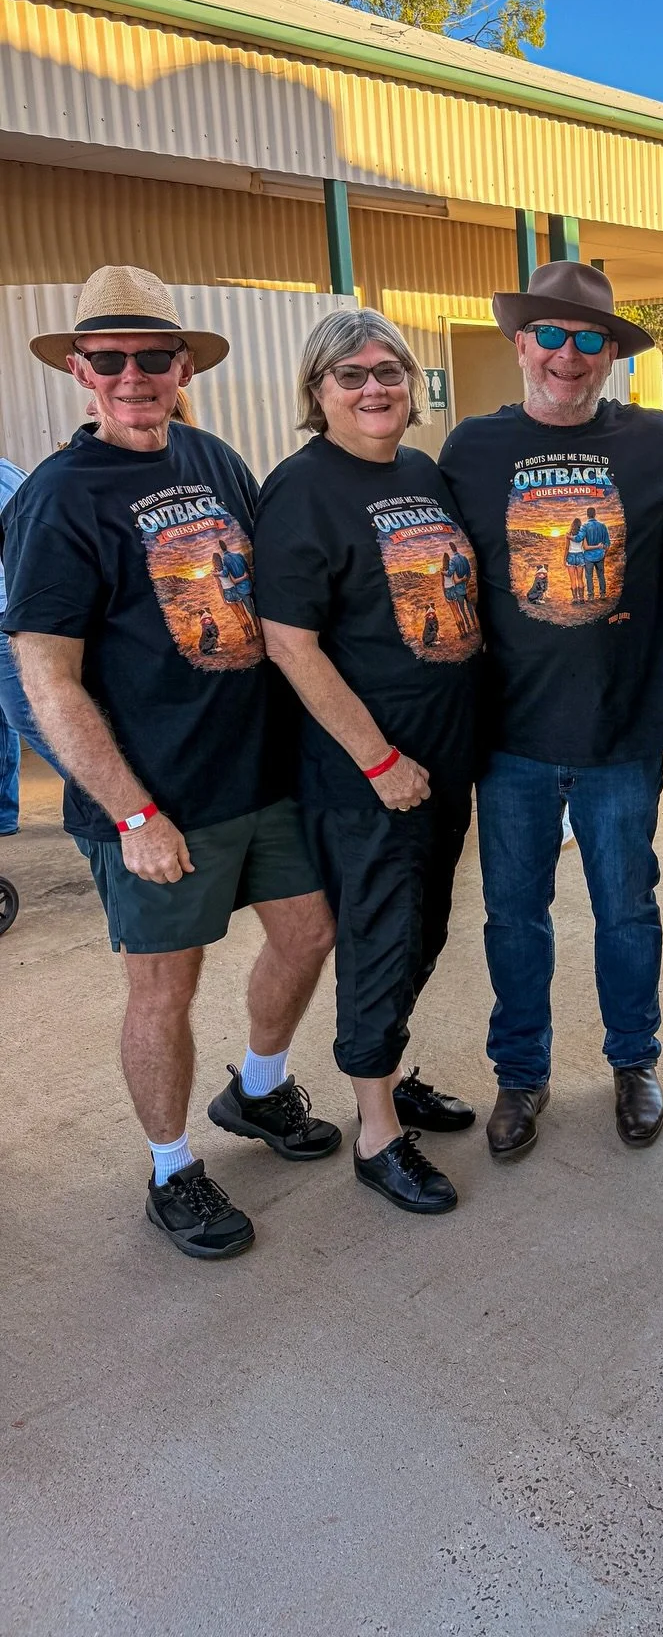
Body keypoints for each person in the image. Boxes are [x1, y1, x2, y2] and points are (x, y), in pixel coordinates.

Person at [0, 267, 338, 1261]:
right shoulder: (59, 499)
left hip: (261, 775)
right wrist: (132, 814)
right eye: (110, 359)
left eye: (154, 356)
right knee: (163, 991)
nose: (135, 376)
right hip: (154, 802)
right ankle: (171, 1169)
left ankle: (260, 1092)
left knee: (309, 934)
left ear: (183, 365)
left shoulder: (212, 455)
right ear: (80, 371)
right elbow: (48, 679)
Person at [439, 261, 663, 1157]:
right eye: (550, 335)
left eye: (591, 339)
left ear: (612, 355)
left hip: (622, 733)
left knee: (627, 910)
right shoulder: (468, 450)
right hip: (508, 738)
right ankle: (521, 1074)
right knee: (515, 914)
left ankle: (634, 1063)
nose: (569, 355)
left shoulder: (661, 444)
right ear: (520, 344)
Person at [255, 307, 483, 1215]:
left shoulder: (422, 473)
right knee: (382, 938)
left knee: (423, 929)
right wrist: (379, 758)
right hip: (370, 774)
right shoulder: (302, 487)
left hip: (444, 759)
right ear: (318, 393)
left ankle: (387, 1068)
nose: (375, 387)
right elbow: (290, 642)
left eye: (389, 370)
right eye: (350, 376)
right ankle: (377, 1131)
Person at [0, 454, 66, 834]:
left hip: (9, 616)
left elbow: (34, 546)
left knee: (36, 717)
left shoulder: (6, 482)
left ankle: (110, 806)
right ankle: (3, 815)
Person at [579, 505, 612, 599]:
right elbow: (607, 543)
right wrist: (604, 553)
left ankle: (591, 595)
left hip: (588, 556)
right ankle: (602, 594)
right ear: (595, 514)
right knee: (601, 575)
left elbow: (579, 540)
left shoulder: (584, 526)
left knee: (589, 576)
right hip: (600, 555)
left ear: (587, 515)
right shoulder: (602, 526)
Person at [564, 518, 587, 602]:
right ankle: (582, 598)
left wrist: (564, 559)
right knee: (580, 578)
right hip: (580, 555)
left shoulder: (568, 534)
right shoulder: (583, 534)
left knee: (573, 579)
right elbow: (584, 547)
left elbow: (566, 548)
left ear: (572, 525)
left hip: (571, 556)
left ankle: (575, 598)